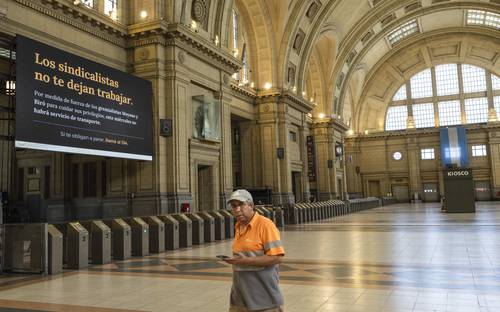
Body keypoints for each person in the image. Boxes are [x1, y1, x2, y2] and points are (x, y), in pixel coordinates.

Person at [222, 189, 285, 312]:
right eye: (234, 206)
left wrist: (245, 261)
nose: (237, 210)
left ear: (251, 205)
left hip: (264, 299)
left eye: (241, 205)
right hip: (239, 299)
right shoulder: (239, 226)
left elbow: (277, 257)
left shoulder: (265, 225)